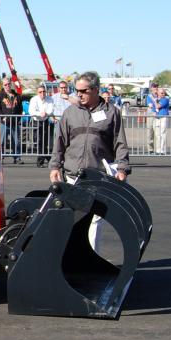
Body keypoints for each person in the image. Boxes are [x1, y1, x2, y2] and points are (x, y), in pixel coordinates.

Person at [49, 71, 130, 251]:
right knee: (73, 220)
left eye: (83, 91)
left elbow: (120, 144)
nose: (78, 94)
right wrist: (55, 166)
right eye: (76, 90)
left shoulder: (111, 113)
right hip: (72, 176)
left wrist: (122, 168)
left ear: (95, 89)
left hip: (98, 177)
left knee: (94, 221)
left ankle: (89, 263)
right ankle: (68, 261)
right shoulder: (70, 113)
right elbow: (60, 142)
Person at [0, 78, 23, 164]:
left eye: (8, 84)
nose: (7, 86)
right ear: (3, 85)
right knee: (2, 141)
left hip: (14, 123)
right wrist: (2, 117)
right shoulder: (0, 96)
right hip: (4, 123)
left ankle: (17, 157)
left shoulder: (17, 96)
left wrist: (17, 118)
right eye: (5, 84)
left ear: (11, 84)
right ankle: (1, 158)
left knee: (16, 141)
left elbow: (20, 108)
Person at [28, 86, 55, 167]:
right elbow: (31, 111)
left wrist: (46, 113)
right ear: (37, 92)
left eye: (43, 91)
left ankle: (46, 158)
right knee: (39, 141)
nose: (42, 93)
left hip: (45, 121)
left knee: (45, 141)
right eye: (40, 92)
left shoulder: (50, 99)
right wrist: (40, 113)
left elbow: (51, 109)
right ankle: (41, 161)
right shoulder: (34, 99)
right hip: (36, 121)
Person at [150, 86, 170, 154]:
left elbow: (158, 106)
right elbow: (154, 109)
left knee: (163, 133)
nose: (163, 94)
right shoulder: (157, 100)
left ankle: (162, 150)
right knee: (157, 134)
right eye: (161, 93)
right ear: (158, 93)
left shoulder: (165, 99)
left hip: (163, 117)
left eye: (163, 93)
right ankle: (158, 150)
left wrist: (155, 101)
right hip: (157, 118)